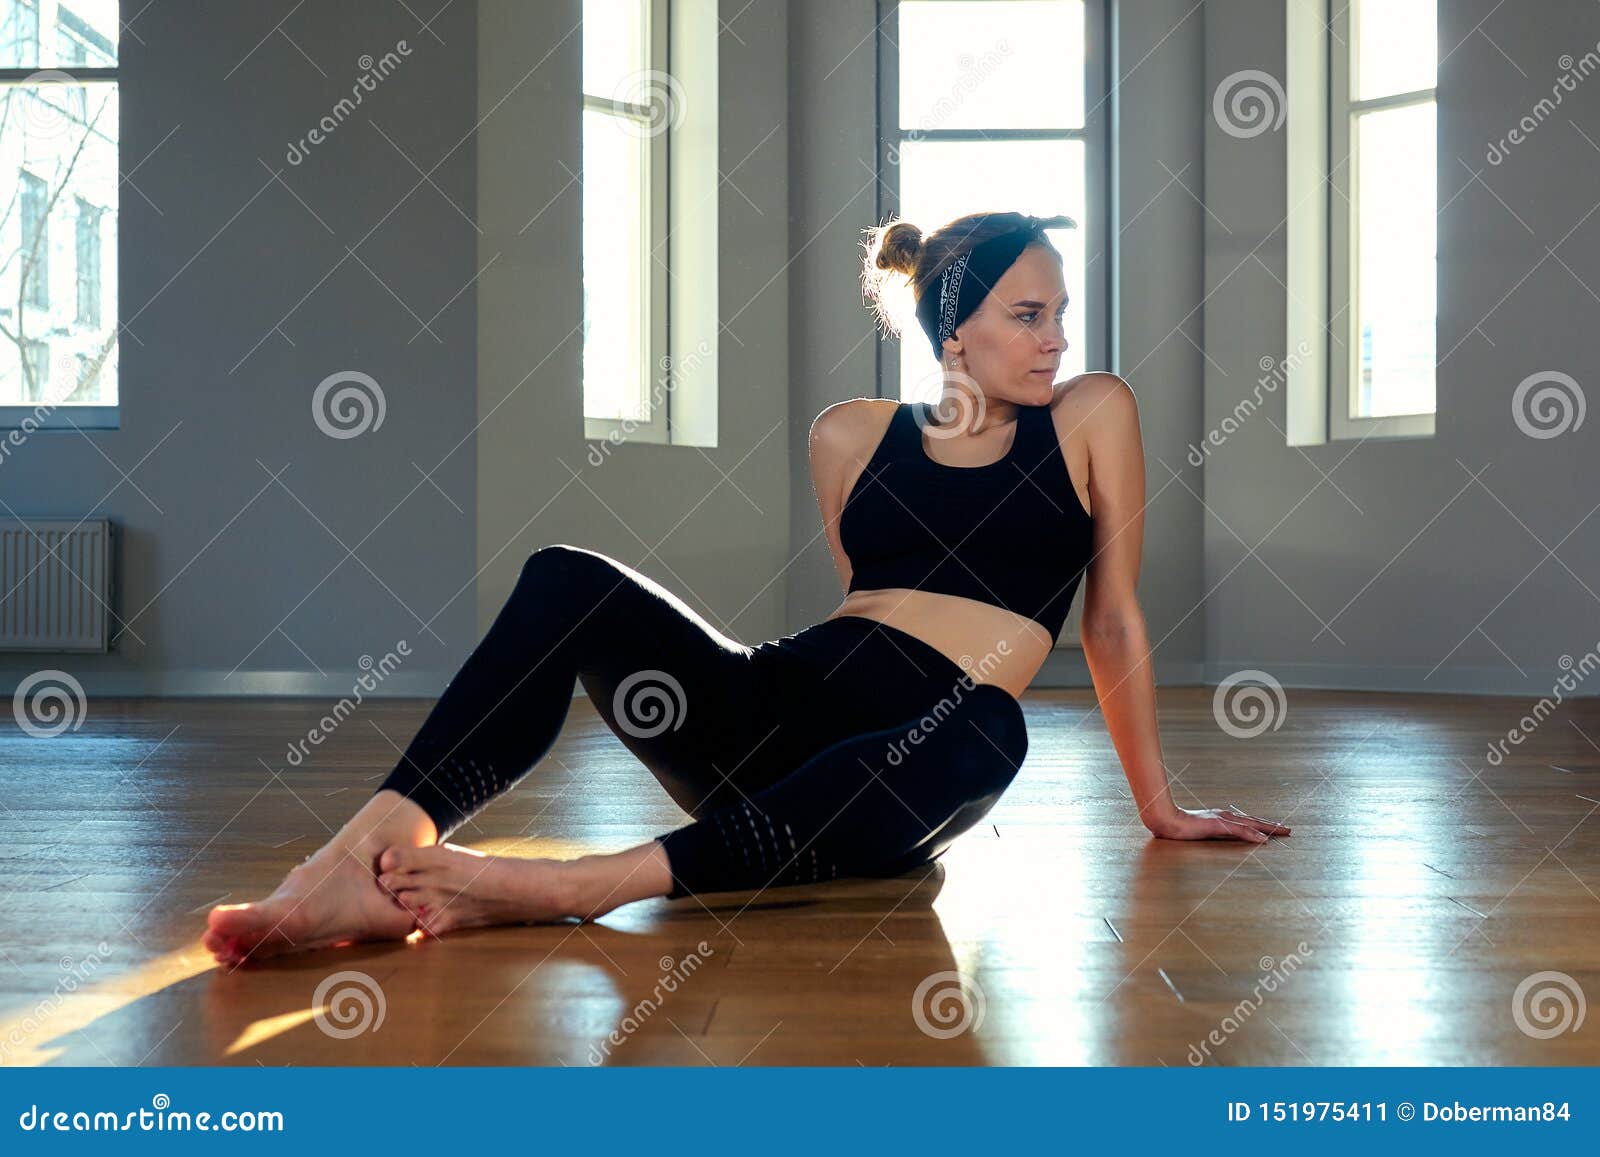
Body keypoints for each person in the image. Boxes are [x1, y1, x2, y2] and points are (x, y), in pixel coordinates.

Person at [204, 209, 1288, 966]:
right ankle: (354, 858)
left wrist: (1158, 806)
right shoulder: (851, 434)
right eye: (1028, 314)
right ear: (954, 328)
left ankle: (575, 885)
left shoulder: (1092, 413)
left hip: (912, 749)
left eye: (1059, 311)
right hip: (771, 712)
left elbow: (1110, 615)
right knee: (565, 577)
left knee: (993, 730)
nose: (1057, 338)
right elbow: (858, 602)